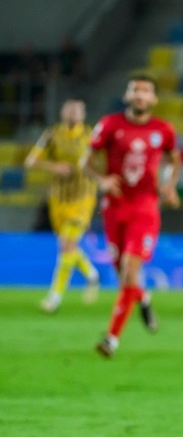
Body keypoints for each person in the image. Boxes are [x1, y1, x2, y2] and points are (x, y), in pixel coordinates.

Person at [86, 74, 181, 358]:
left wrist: (169, 184)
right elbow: (86, 161)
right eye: (135, 90)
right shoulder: (109, 125)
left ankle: (111, 339)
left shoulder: (163, 130)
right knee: (124, 277)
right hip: (114, 208)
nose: (140, 95)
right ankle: (143, 296)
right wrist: (101, 180)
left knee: (129, 270)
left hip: (145, 208)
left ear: (153, 99)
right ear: (127, 95)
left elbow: (175, 160)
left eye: (146, 91)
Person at [24, 98, 100, 313]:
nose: (74, 112)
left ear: (84, 114)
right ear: (62, 112)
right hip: (58, 200)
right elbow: (30, 161)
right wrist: (53, 166)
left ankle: (55, 297)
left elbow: (105, 158)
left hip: (83, 197)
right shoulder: (52, 135)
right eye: (70, 109)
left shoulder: (92, 136)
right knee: (68, 246)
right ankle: (91, 274)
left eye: (78, 109)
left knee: (66, 245)